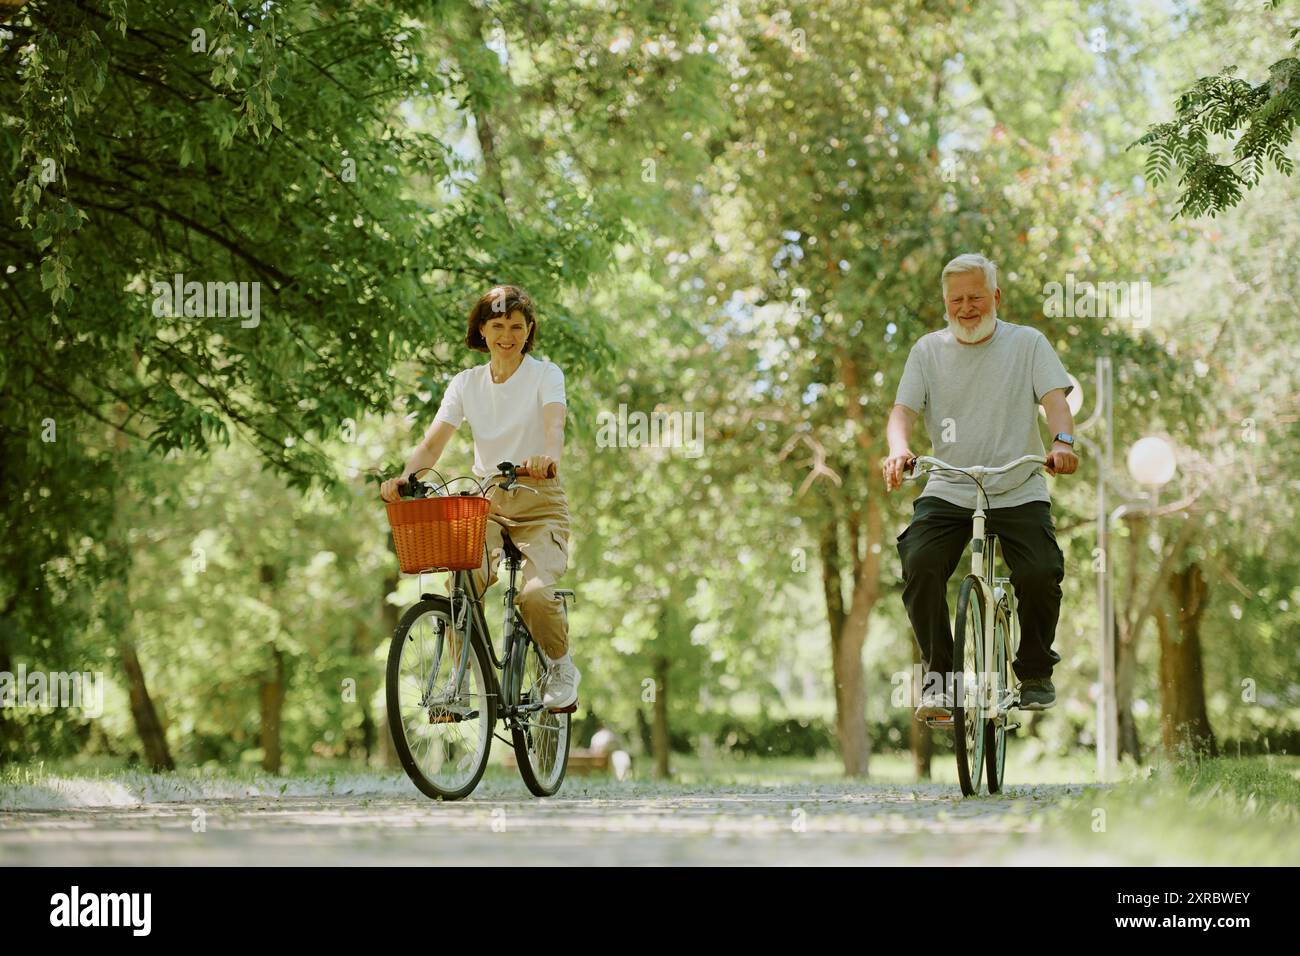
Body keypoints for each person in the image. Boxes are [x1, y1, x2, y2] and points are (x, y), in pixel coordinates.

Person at [881, 253, 1079, 719]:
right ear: (945, 302)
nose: (966, 307)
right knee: (920, 561)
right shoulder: (927, 351)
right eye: (956, 300)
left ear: (995, 296)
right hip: (949, 486)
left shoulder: (1028, 344)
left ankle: (1033, 672)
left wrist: (1063, 442)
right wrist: (898, 448)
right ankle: (941, 684)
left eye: (975, 297)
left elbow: (1055, 401)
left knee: (1040, 571)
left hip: (1017, 485)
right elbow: (902, 413)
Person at [380, 285, 578, 709]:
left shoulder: (546, 375)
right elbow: (433, 444)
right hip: (487, 502)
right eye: (498, 325)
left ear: (528, 332)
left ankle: (561, 665)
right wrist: (403, 478)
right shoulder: (466, 383)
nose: (507, 335)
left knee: (535, 595)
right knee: (461, 584)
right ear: (483, 331)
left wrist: (548, 457)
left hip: (539, 499)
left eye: (517, 327)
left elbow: (554, 426)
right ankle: (458, 681)